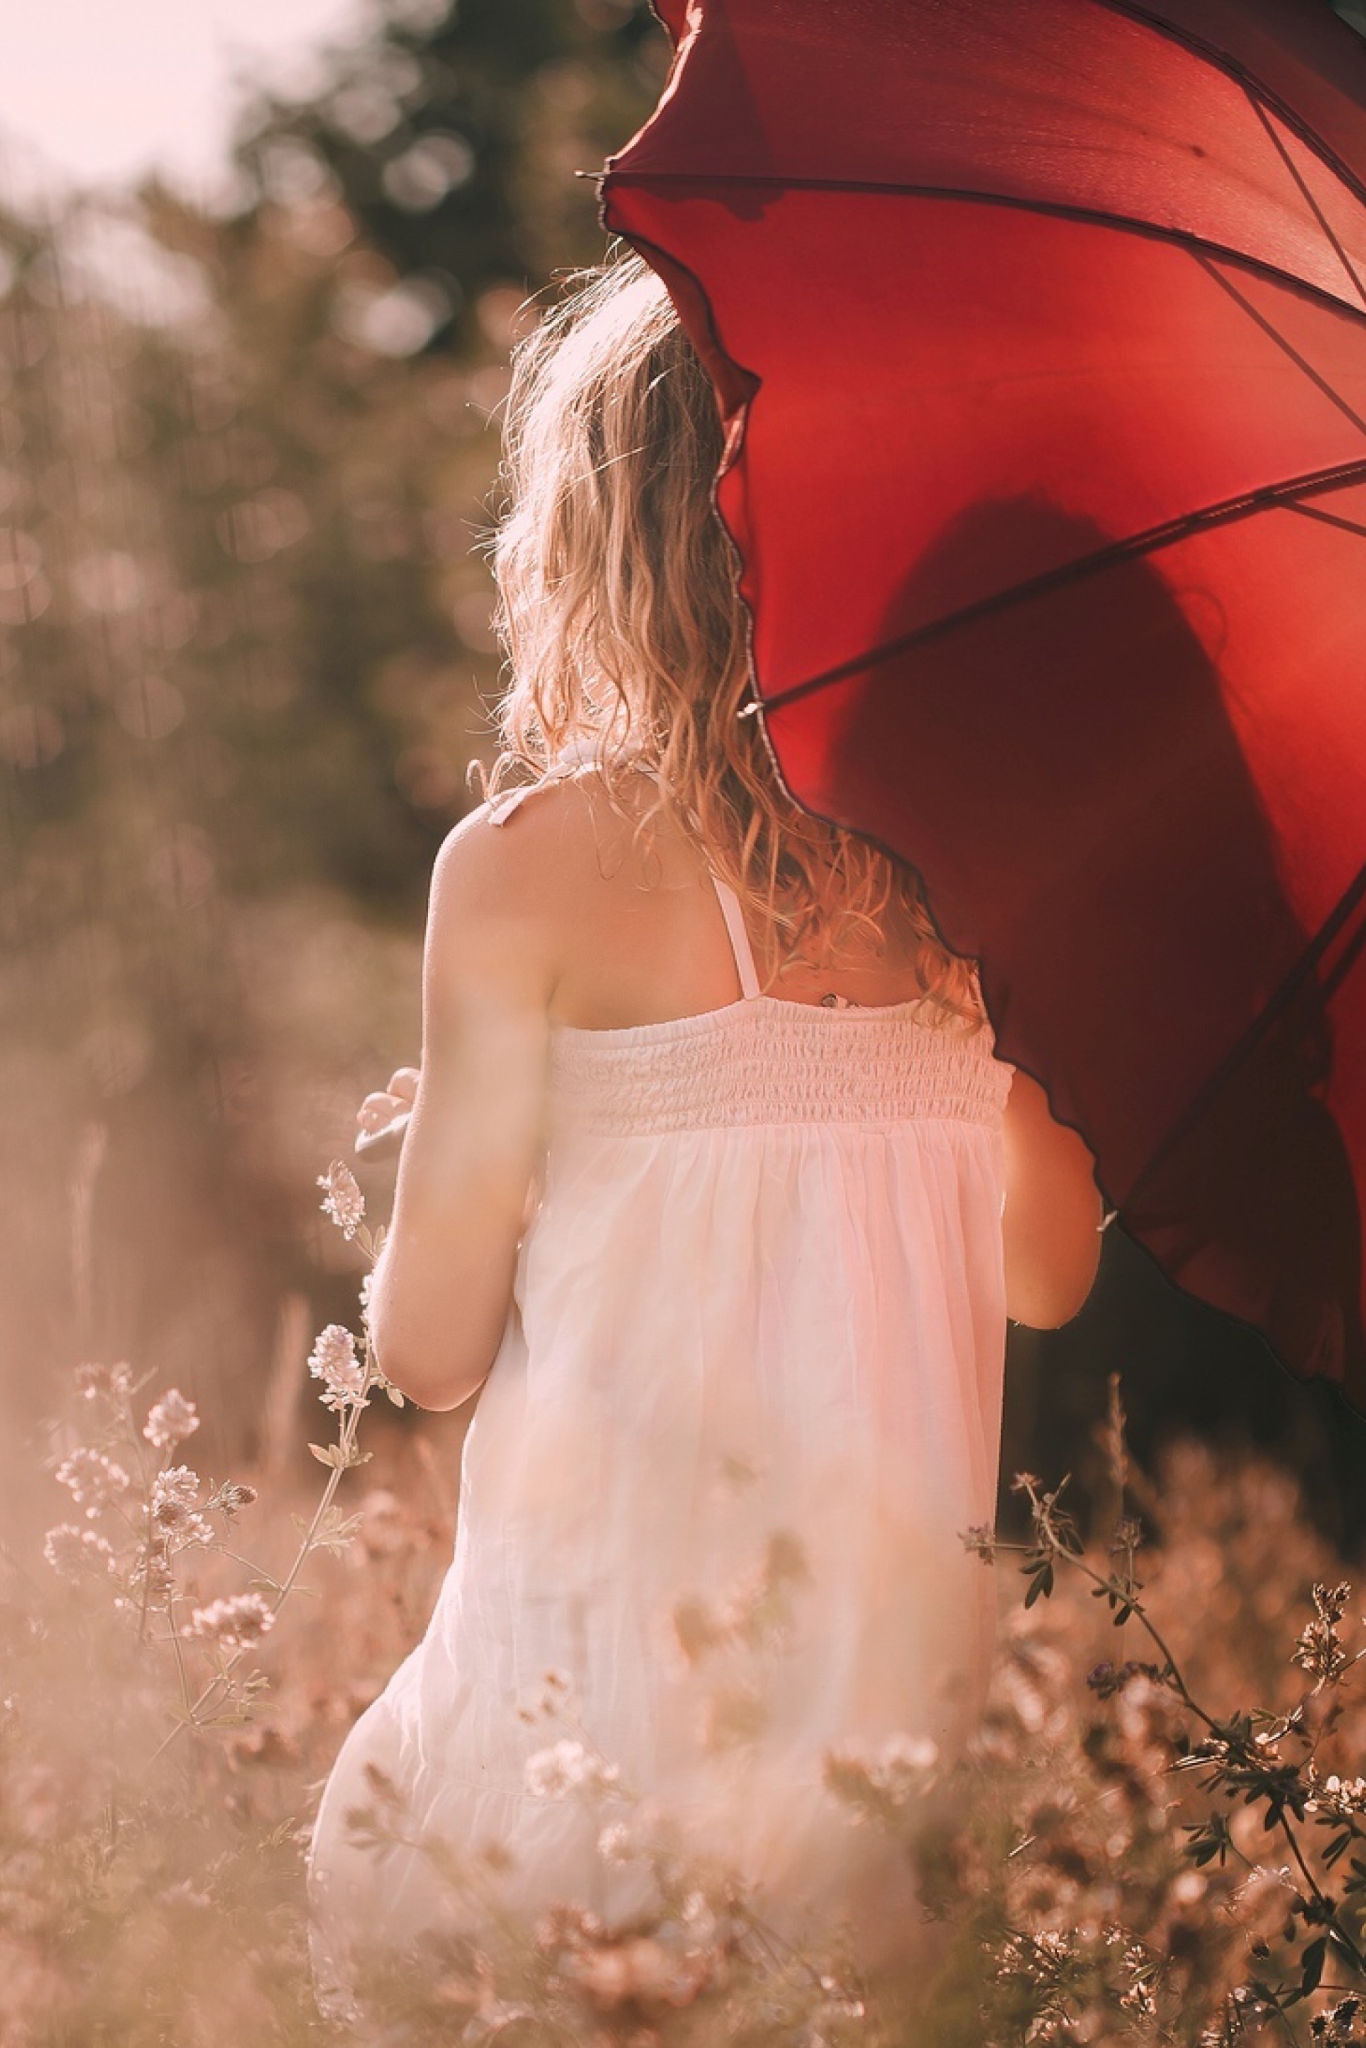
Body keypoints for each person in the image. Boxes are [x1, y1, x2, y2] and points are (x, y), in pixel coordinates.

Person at [305, 254, 1104, 2010]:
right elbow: (1048, 1277)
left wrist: (447, 1140)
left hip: (582, 1722)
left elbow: (425, 1352)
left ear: (598, 546)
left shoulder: (524, 876)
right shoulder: (982, 881)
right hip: (871, 1766)